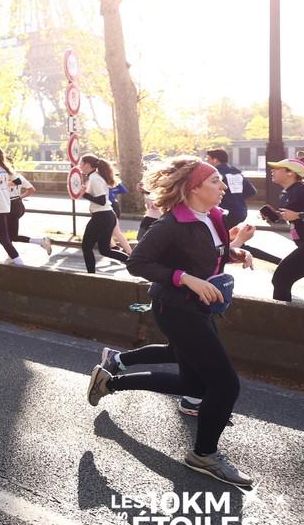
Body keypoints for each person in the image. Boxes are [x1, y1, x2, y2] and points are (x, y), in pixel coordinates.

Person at [87, 155, 254, 487]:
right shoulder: (171, 225)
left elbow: (209, 254)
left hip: (198, 310)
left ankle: (110, 381)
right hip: (176, 309)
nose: (222, 187)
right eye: (214, 182)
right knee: (224, 384)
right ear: (193, 188)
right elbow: (137, 263)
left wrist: (235, 251)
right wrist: (185, 278)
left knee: (194, 384)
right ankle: (204, 455)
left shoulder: (212, 217)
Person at [265, 157, 304, 302]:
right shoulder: (288, 193)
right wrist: (277, 216)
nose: (272, 171)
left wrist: (299, 215)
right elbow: (293, 217)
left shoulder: (303, 192)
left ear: (290, 173)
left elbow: (298, 215)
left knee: (281, 279)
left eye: (277, 168)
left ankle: (281, 319)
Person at [79, 154, 129, 273]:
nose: (79, 166)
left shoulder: (94, 178)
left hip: (102, 216)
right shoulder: (94, 177)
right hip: (105, 216)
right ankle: (132, 262)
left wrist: (84, 194)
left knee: (86, 247)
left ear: (87, 165)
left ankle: (91, 275)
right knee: (105, 250)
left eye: (81, 163)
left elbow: (101, 201)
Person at [6, 168, 52, 255]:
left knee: (9, 235)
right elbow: (32, 189)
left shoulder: (2, 177)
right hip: (18, 205)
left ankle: (41, 241)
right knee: (10, 235)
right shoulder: (18, 176)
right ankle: (12, 255)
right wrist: (20, 197)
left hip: (10, 207)